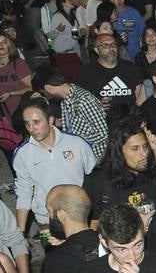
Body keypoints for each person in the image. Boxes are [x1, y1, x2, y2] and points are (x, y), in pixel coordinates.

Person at [12, 98, 97, 232]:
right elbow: (24, 193)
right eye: (27, 124)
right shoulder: (23, 154)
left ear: (51, 120)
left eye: (36, 122)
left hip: (79, 218)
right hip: (46, 221)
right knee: (52, 253)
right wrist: (20, 233)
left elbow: (95, 179)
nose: (31, 128)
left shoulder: (77, 144)